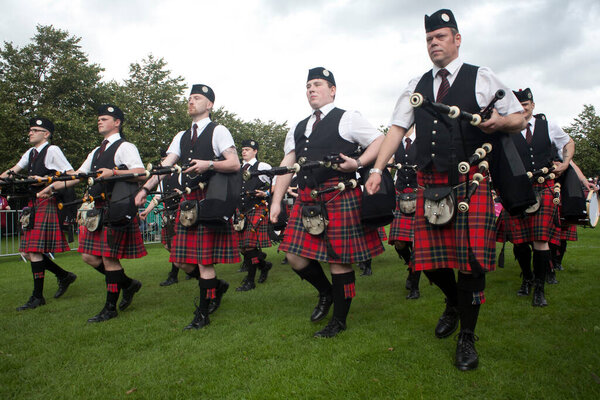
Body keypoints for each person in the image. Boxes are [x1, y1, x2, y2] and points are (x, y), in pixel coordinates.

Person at [365, 9, 526, 370]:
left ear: (456, 39)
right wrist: (377, 168)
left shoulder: (480, 76)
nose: (434, 43)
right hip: (431, 182)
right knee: (426, 258)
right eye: (428, 38)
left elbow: (519, 117)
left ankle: (467, 335)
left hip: (472, 182)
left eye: (440, 36)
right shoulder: (416, 84)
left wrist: (499, 120)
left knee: (471, 263)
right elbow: (395, 129)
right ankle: (454, 301)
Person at [270, 67, 385, 338]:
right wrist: (277, 200)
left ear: (332, 90)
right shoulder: (299, 126)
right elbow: (288, 164)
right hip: (308, 197)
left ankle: (339, 321)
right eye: (308, 85)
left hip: (339, 194)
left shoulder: (348, 118)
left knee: (339, 261)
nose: (311, 89)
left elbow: (380, 140)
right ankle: (327, 293)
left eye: (318, 84)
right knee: (294, 256)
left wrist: (358, 163)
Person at [135, 84, 240, 330]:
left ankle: (202, 314)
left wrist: (209, 165)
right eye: (190, 97)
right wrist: (144, 190)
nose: (191, 101)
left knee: (204, 262)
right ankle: (216, 287)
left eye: (197, 97)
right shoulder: (181, 136)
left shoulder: (218, 130)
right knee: (181, 260)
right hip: (187, 201)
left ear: (210, 104)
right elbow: (164, 167)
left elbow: (234, 163)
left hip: (209, 198)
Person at [39, 105, 147, 322]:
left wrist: (114, 172)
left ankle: (110, 308)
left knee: (109, 259)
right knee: (88, 256)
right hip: (98, 210)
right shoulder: (96, 152)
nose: (100, 121)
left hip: (116, 208)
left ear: (117, 122)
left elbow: (141, 173)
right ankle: (128, 284)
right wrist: (51, 187)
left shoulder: (125, 147)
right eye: (99, 118)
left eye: (104, 118)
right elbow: (78, 176)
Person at [496, 88, 573, 305]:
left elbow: (568, 143)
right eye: (518, 105)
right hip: (516, 190)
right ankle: (527, 278)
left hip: (544, 186)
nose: (523, 108)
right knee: (519, 242)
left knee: (541, 240)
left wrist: (565, 163)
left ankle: (539, 288)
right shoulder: (505, 131)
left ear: (533, 105)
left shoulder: (549, 126)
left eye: (526, 104)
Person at [1, 117, 77, 310]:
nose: (30, 132)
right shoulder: (31, 153)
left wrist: (45, 180)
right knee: (30, 250)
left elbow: (70, 173)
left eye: (35, 130)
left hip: (47, 200)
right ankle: (63, 275)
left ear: (46, 134)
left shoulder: (52, 150)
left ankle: (38, 296)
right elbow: (13, 170)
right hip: (33, 202)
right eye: (30, 129)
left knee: (34, 250)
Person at [139, 149, 199, 286]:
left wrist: (181, 194)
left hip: (180, 214)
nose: (162, 163)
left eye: (165, 159)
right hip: (167, 214)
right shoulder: (162, 179)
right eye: (162, 160)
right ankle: (190, 265)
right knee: (167, 245)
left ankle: (173, 275)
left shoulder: (180, 175)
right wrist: (146, 212)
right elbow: (157, 198)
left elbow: (190, 193)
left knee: (175, 245)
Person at [387, 126, 421, 299]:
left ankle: (415, 287)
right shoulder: (396, 141)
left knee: (418, 244)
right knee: (400, 242)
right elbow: (388, 162)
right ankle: (411, 266)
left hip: (419, 193)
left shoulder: (422, 138)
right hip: (401, 194)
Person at [235, 139, 273, 291]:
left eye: (247, 149)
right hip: (241, 210)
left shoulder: (262, 166)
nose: (244, 152)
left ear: (255, 151)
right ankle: (264, 265)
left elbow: (277, 180)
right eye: (243, 149)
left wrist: (267, 192)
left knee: (249, 246)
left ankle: (250, 281)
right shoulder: (238, 168)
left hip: (257, 208)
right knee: (243, 248)